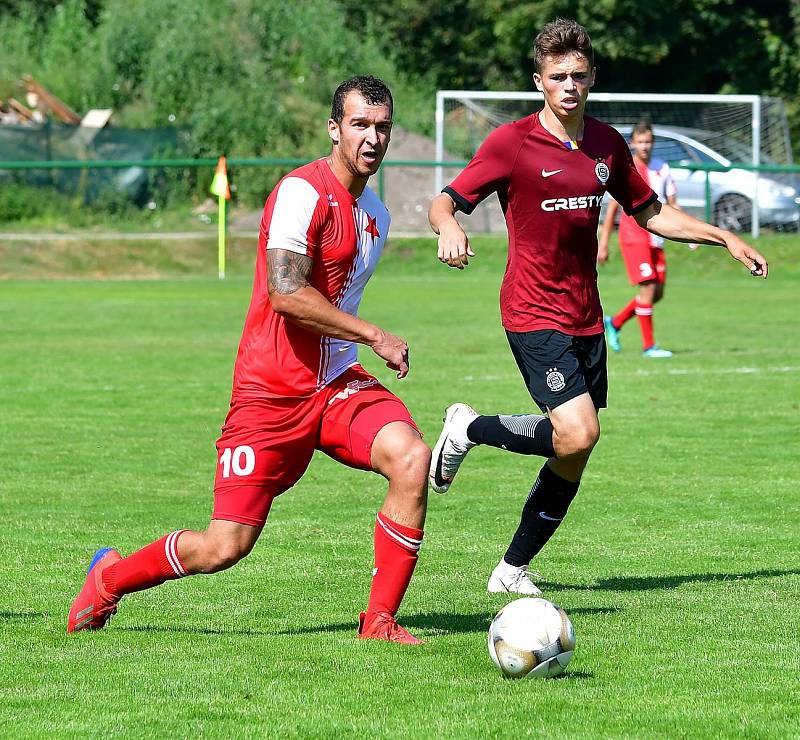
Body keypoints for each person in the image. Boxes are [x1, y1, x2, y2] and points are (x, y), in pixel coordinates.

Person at [67, 76, 431, 644]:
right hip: (270, 393)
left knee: (411, 458)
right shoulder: (300, 193)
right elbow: (286, 293)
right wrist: (375, 336)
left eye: (383, 127)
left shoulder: (376, 214)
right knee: (222, 548)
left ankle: (379, 622)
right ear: (334, 129)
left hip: (335, 384)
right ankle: (109, 579)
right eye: (360, 124)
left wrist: (356, 347)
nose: (373, 137)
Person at [427, 19, 767, 595]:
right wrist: (447, 230)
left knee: (574, 450)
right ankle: (470, 429)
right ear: (540, 81)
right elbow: (444, 201)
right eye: (557, 76)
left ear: (591, 79)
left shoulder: (607, 144)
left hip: (586, 313)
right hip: (532, 311)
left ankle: (511, 568)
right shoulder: (511, 143)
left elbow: (651, 212)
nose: (569, 86)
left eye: (578, 76)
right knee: (578, 432)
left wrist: (723, 236)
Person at [598, 120, 682, 357]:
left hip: (658, 237)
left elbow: (673, 202)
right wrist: (603, 243)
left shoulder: (662, 168)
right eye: (640, 142)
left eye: (648, 142)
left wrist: (689, 234)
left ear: (653, 143)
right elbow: (613, 210)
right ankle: (649, 346)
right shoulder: (628, 169)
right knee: (647, 290)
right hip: (634, 236)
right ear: (632, 143)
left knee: (657, 293)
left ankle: (615, 323)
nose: (644, 146)